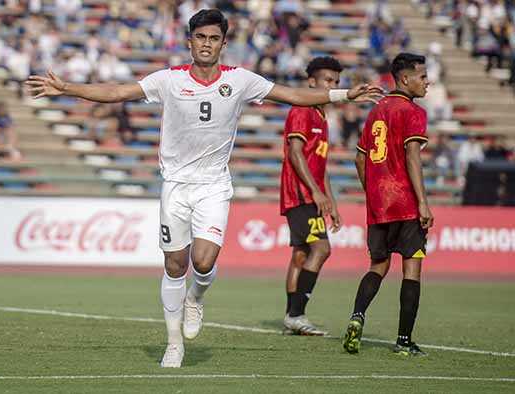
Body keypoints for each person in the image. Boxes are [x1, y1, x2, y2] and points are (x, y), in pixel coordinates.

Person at [26, 9, 382, 368]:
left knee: (203, 261)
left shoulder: (241, 80)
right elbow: (118, 91)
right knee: (175, 264)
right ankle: (173, 344)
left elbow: (292, 95)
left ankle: (196, 298)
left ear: (224, 44)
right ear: (190, 41)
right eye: (200, 37)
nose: (206, 44)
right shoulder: (169, 79)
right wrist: (66, 87)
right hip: (176, 186)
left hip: (213, 186)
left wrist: (343, 96)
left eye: (213, 38)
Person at [342, 53, 434, 357]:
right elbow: (411, 156)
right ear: (405, 79)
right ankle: (404, 342)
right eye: (422, 76)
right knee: (412, 269)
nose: (427, 81)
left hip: (379, 203)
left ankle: (357, 316)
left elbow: (359, 157)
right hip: (406, 201)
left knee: (378, 266)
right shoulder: (412, 111)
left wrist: (373, 192)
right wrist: (422, 202)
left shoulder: (377, 110)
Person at [280, 56, 344, 336]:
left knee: (301, 255)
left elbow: (321, 164)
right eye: (328, 81)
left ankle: (291, 316)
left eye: (336, 82)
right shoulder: (302, 110)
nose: (332, 86)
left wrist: (332, 202)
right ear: (312, 82)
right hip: (300, 194)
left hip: (312, 194)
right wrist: (316, 193)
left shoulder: (322, 116)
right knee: (322, 249)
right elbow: (295, 153)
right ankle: (297, 314)